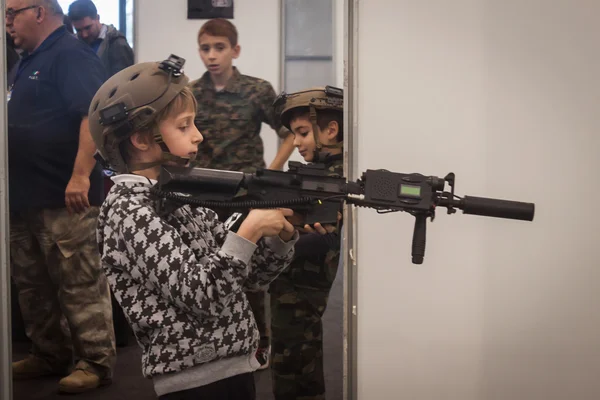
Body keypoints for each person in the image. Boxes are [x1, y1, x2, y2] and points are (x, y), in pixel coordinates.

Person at [88, 55, 300, 399]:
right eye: (184, 126)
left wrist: (278, 238)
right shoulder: (128, 210)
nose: (198, 136)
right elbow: (202, 296)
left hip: (233, 365)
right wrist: (247, 231)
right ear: (142, 139)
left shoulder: (178, 196)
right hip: (194, 382)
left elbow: (251, 278)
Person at [6, 0, 115, 393]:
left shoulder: (71, 55)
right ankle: (49, 353)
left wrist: (80, 176)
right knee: (32, 284)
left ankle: (96, 361)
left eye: (11, 13)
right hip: (24, 196)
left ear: (37, 12)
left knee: (79, 281)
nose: (6, 22)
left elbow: (92, 115)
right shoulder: (29, 59)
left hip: (64, 195)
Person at [189, 18, 295, 368]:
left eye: (219, 48)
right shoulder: (192, 92)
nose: (212, 56)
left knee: (250, 271)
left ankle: (257, 343)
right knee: (208, 269)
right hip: (203, 197)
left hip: (246, 196)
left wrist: (274, 170)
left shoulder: (256, 90)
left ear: (235, 51)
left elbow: (290, 132)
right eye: (205, 48)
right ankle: (214, 344)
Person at [269, 86, 344, 400]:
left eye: (301, 133)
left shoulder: (335, 177)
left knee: (294, 362)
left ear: (330, 129)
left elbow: (326, 232)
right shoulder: (321, 173)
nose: (296, 143)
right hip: (295, 289)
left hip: (300, 291)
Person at [68, 0, 135, 347]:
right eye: (78, 29)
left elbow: (121, 98)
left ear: (98, 19)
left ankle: (121, 332)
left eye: (87, 27)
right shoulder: (79, 46)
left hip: (111, 146)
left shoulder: (118, 46)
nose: (83, 33)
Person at [68, 0, 134, 77]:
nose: (84, 35)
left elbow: (123, 82)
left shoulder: (117, 44)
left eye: (88, 27)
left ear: (97, 17)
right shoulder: (73, 44)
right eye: (78, 30)